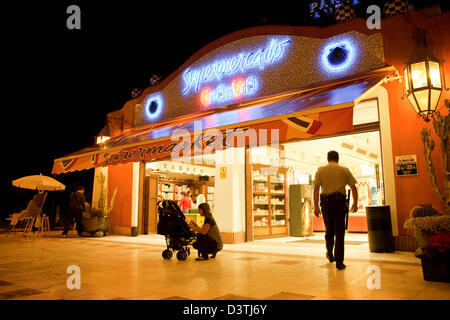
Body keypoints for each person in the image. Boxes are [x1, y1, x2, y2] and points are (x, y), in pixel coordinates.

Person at [313, 151, 358, 270]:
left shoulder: (321, 170)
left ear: (327, 159)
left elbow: (316, 188)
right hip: (339, 202)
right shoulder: (344, 170)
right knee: (339, 231)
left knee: (329, 229)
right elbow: (353, 187)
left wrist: (316, 206)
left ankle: (330, 253)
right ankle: (339, 262)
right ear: (338, 159)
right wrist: (355, 202)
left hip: (326, 203)